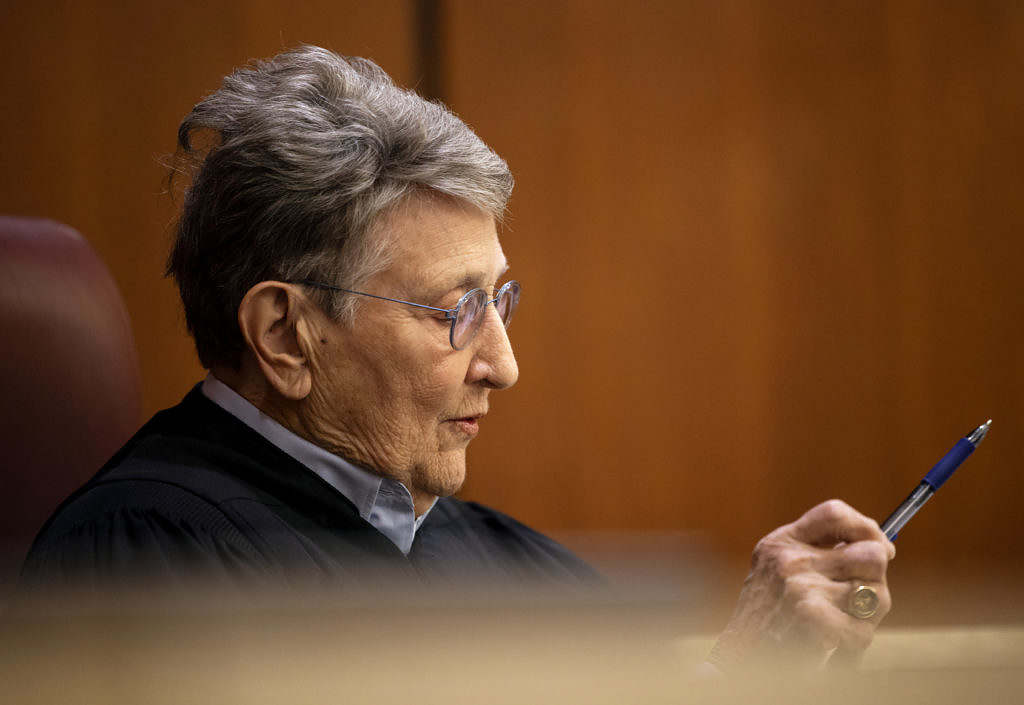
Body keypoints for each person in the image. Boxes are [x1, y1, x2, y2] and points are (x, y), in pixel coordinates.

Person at [20, 46, 893, 670]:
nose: (504, 365)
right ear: (286, 335)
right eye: (456, 311)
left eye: (499, 300)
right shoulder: (138, 560)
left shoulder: (497, 554)